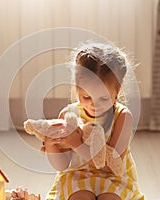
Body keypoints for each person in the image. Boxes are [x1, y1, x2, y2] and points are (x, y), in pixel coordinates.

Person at [44, 42, 144, 200]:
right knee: (81, 197)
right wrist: (51, 145)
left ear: (117, 91)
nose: (93, 104)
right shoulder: (69, 114)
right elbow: (62, 166)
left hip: (113, 178)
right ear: (76, 88)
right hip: (76, 176)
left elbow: (111, 167)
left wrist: (77, 143)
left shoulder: (122, 117)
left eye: (103, 98)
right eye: (86, 97)